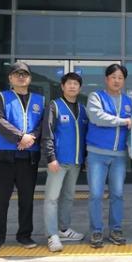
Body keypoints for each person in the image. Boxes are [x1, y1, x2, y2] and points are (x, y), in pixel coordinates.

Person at [0, 61, 45, 255]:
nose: (21, 77)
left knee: (27, 199)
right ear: (10, 78)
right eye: (17, 74)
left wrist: (31, 137)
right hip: (4, 156)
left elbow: (43, 123)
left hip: (28, 156)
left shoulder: (40, 100)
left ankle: (24, 235)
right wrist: (21, 137)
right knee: (0, 199)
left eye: (24, 74)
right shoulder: (1, 97)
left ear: (30, 78)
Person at [85, 64, 132, 249]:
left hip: (119, 156)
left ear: (124, 81)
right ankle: (96, 230)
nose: (117, 80)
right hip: (97, 154)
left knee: (118, 194)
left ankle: (116, 229)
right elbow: (97, 117)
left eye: (120, 77)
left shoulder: (128, 102)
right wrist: (124, 121)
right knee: (96, 194)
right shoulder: (96, 97)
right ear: (106, 79)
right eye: (113, 77)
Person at [41, 72, 88, 252]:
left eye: (76, 84)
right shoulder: (54, 106)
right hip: (58, 162)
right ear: (62, 86)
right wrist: (51, 157)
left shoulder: (83, 109)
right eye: (69, 83)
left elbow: (85, 136)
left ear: (80, 88)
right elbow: (47, 133)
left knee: (68, 197)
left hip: (75, 162)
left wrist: (84, 159)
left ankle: (63, 229)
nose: (72, 86)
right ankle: (52, 235)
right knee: (52, 198)